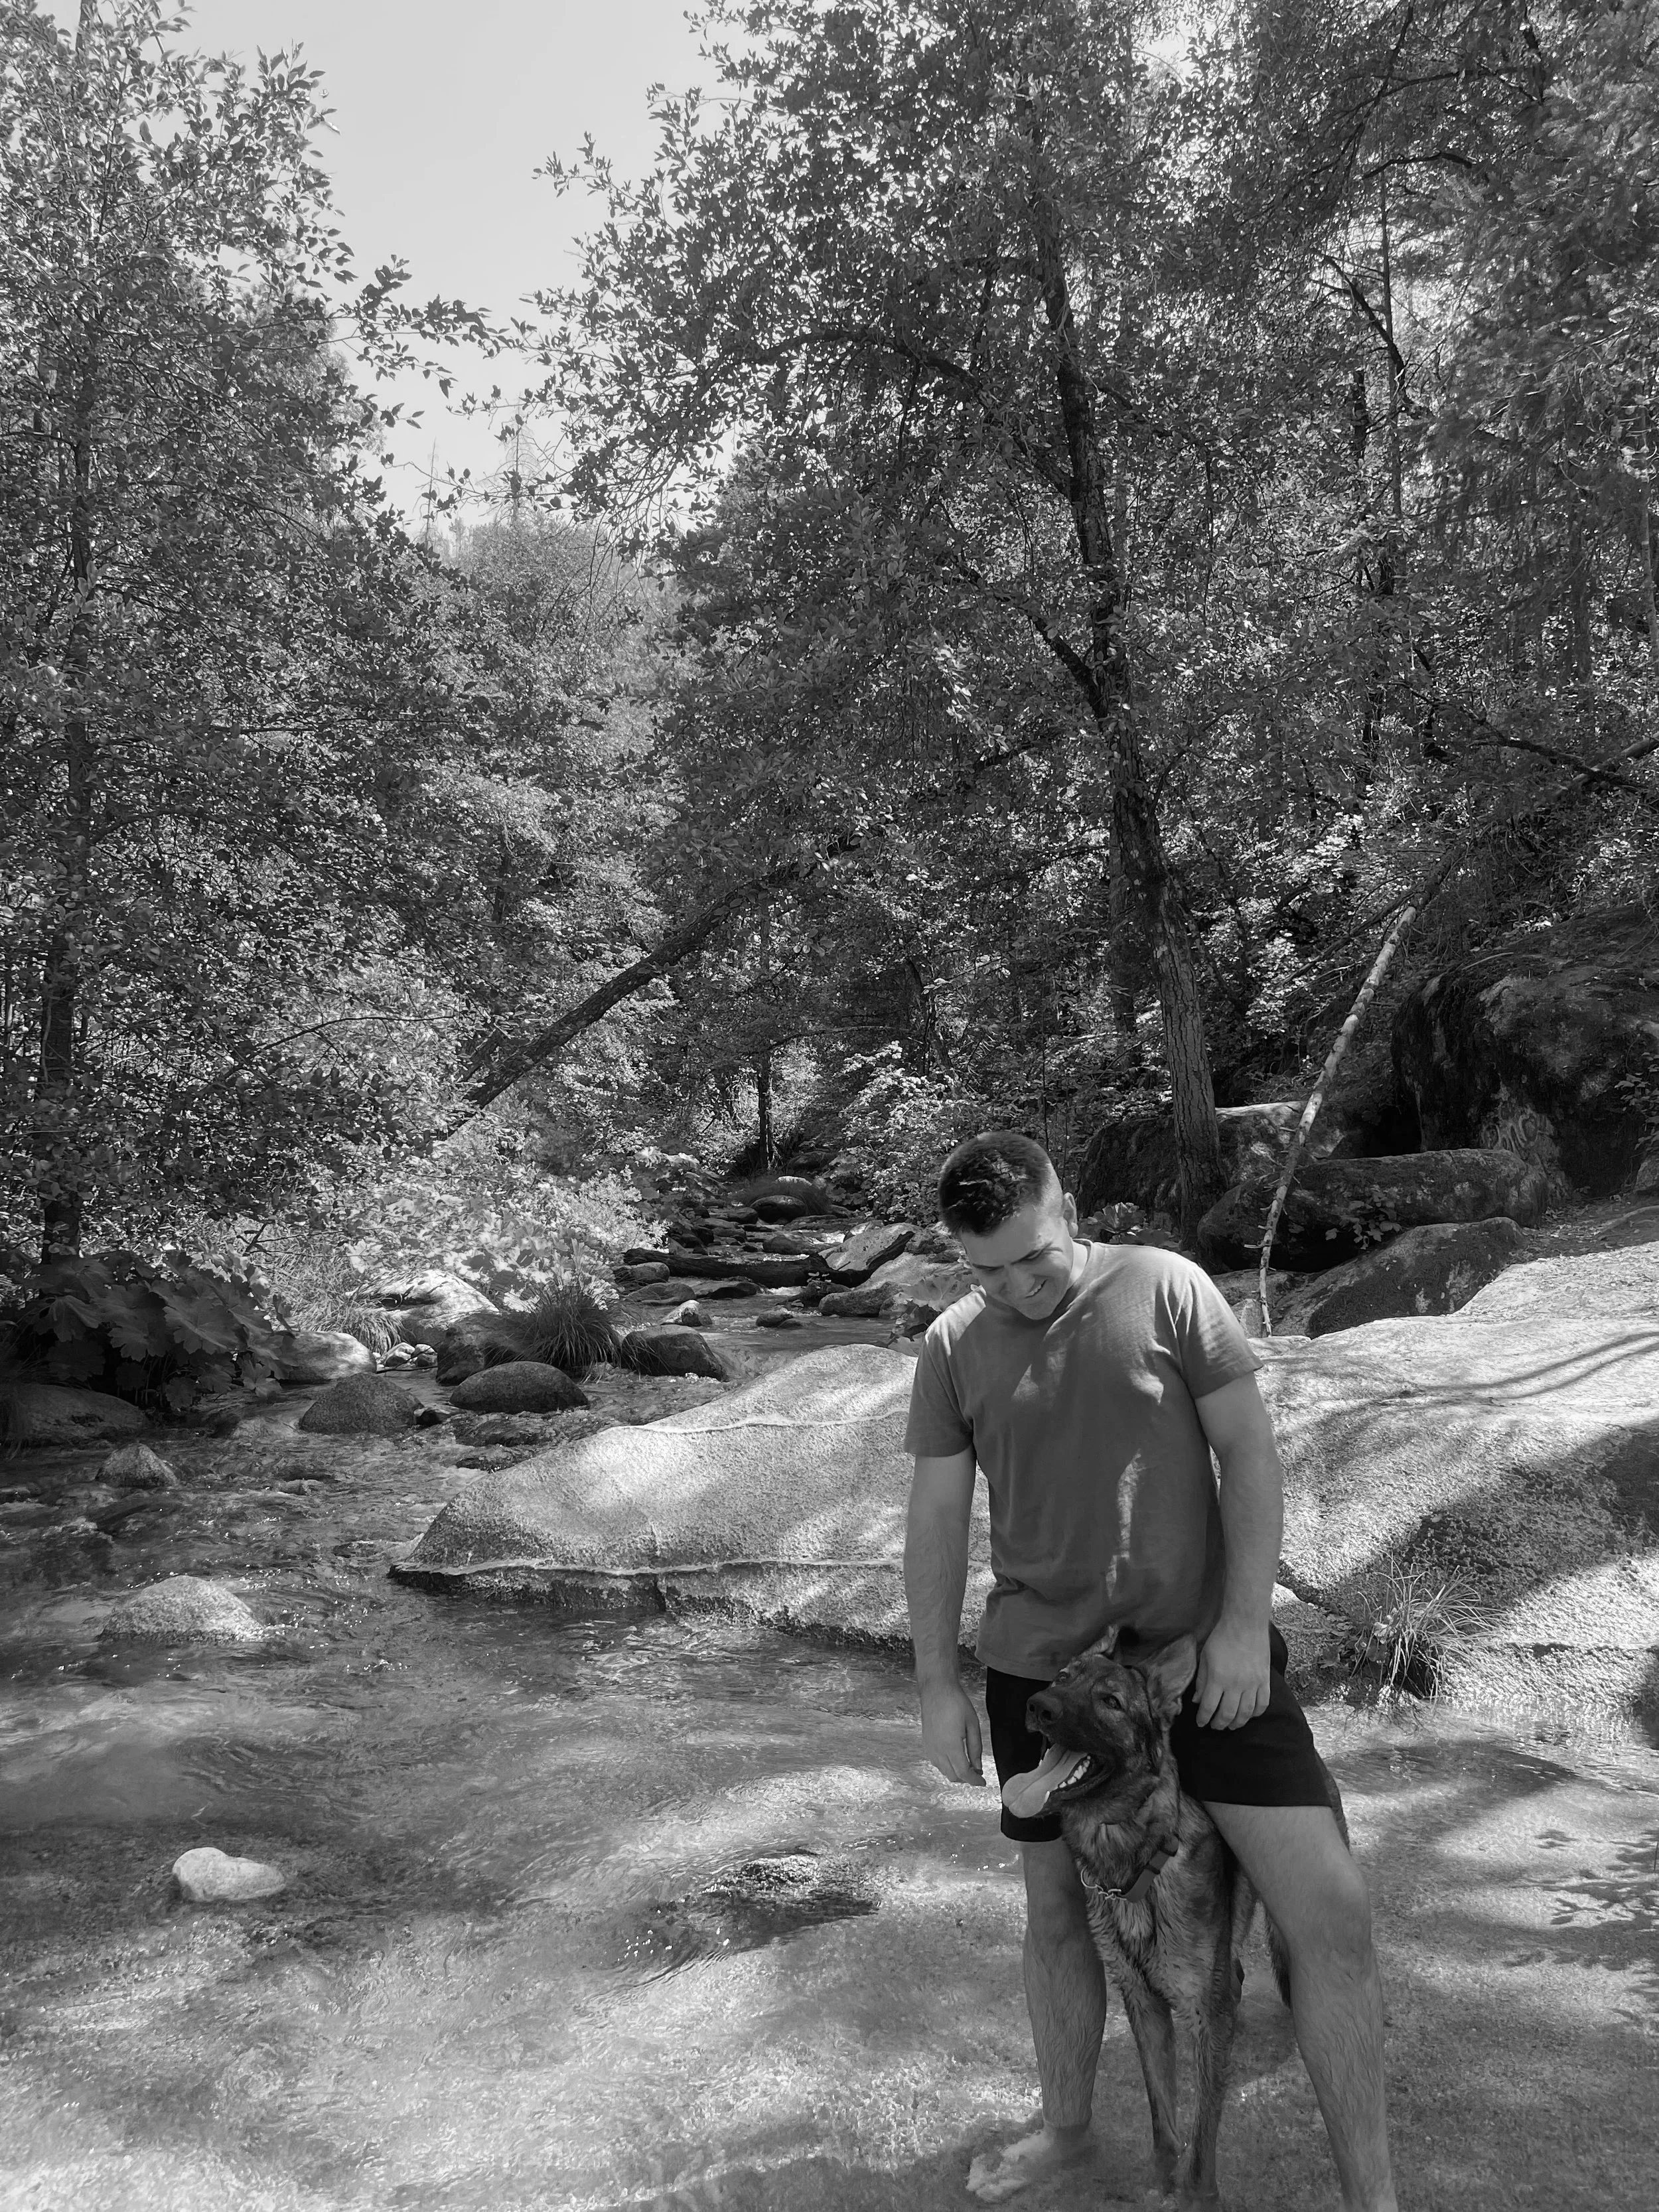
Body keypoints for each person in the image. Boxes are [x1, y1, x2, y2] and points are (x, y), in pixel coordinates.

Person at [902, 1131, 1397, 2211]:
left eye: (1033, 1258)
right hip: (1046, 1678)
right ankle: (1071, 2133)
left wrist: (1237, 1627)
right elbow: (936, 1519)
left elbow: (1250, 1455)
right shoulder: (952, 1346)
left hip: (1205, 1665)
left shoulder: (1167, 1288)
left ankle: (1375, 2199)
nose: (1016, 1290)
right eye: (985, 1271)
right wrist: (937, 1682)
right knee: (1056, 1920)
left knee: (1330, 1917)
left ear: (1068, 1207)